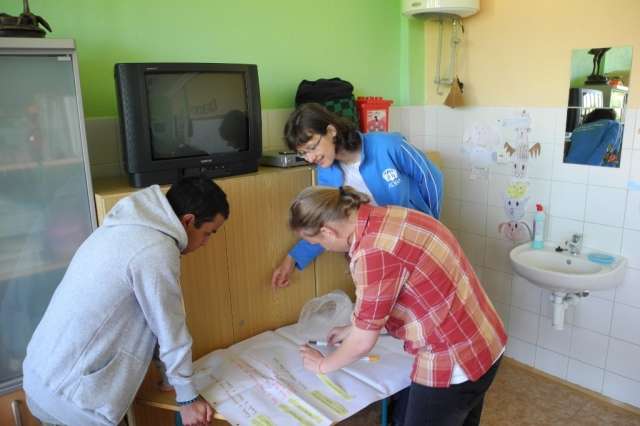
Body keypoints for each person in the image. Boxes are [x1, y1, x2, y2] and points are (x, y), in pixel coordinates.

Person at [22, 176, 229, 426]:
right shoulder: (155, 251)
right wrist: (188, 398)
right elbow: (170, 329)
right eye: (207, 233)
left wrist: (170, 378)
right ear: (188, 220)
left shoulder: (127, 225)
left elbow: (151, 318)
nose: (205, 243)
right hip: (72, 398)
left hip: (43, 375)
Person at [293, 186, 507, 426]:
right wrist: (352, 328)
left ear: (328, 232)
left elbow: (362, 343)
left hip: (454, 360)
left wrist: (322, 365)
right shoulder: (389, 215)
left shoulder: (372, 251)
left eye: (317, 242)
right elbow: (395, 292)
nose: (324, 248)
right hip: (485, 338)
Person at [271, 102, 443, 288]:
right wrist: (292, 258)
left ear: (331, 131)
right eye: (303, 153)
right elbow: (325, 226)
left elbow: (431, 179)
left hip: (415, 240)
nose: (310, 158)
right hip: (379, 254)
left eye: (312, 147)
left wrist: (431, 225)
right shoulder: (326, 174)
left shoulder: (388, 146)